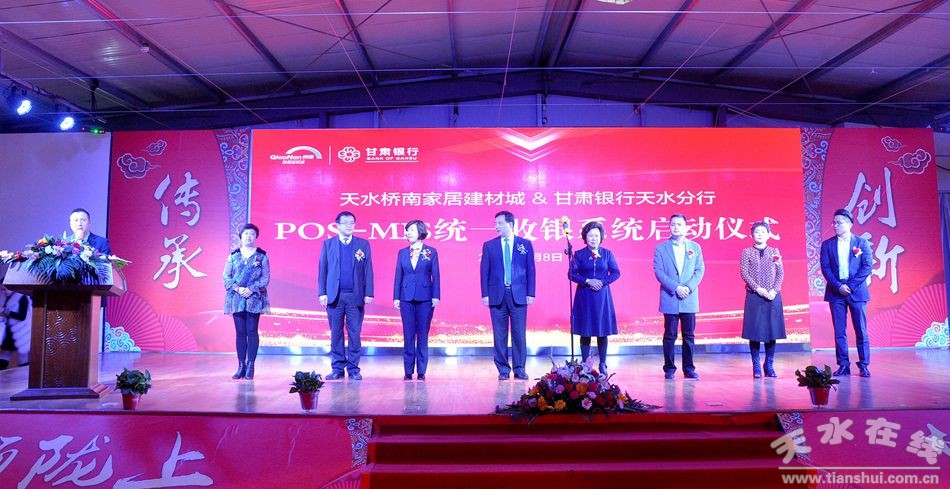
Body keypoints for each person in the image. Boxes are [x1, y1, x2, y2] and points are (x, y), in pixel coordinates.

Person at [480, 210, 536, 380]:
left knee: (519, 334)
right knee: (499, 334)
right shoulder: (489, 245)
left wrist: (531, 292)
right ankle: (503, 370)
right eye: (495, 223)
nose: (496, 226)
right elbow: (484, 272)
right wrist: (485, 294)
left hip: (518, 294)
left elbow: (531, 270)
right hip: (497, 294)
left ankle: (520, 368)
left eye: (500, 223)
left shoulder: (525, 244)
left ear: (510, 224)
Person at [318, 211, 374, 381]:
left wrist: (369, 293)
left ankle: (354, 369)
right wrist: (322, 292)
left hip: (355, 296)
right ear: (337, 225)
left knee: (354, 333)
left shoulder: (362, 244)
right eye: (346, 223)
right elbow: (323, 270)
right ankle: (337, 368)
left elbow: (368, 270)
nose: (349, 226)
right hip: (334, 296)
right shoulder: (328, 244)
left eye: (352, 223)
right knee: (336, 333)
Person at [819, 208, 873, 377]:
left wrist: (850, 286)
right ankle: (843, 364)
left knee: (861, 330)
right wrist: (838, 286)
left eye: (839, 222)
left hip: (856, 292)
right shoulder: (827, 244)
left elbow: (867, 267)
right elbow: (825, 268)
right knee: (839, 331)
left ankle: (864, 365)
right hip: (836, 292)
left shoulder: (861, 243)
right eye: (834, 222)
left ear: (849, 224)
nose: (835, 225)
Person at [653, 213, 705, 380]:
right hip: (670, 297)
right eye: (673, 224)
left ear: (686, 227)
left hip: (689, 298)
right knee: (670, 335)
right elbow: (659, 272)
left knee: (689, 336)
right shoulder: (661, 248)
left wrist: (687, 287)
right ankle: (669, 369)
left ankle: (689, 369)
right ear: (669, 227)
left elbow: (699, 270)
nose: (676, 227)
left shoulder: (695, 247)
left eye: (679, 224)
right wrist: (676, 287)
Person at [568, 221, 620, 374]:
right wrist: (587, 281)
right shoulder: (578, 255)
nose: (593, 238)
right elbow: (571, 274)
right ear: (585, 237)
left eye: (596, 236)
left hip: (602, 297)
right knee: (586, 331)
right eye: (590, 235)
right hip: (585, 296)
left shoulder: (607, 254)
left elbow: (616, 272)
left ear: (601, 237)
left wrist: (602, 282)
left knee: (602, 331)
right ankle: (585, 365)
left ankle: (603, 363)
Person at [393, 220, 441, 381]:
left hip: (425, 297)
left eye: (411, 230)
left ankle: (421, 371)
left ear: (420, 231)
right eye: (407, 230)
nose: (408, 233)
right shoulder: (402, 252)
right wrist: (396, 296)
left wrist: (436, 295)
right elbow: (398, 275)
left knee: (422, 334)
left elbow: (436, 275)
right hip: (406, 297)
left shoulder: (431, 251)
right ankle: (408, 371)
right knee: (408, 334)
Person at [223, 223, 270, 380]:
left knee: (252, 331)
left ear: (256, 237)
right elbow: (226, 277)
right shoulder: (233, 255)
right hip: (236, 298)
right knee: (240, 333)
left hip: (254, 298)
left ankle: (251, 366)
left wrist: (251, 288)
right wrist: (237, 288)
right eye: (246, 234)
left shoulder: (261, 256)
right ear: (241, 236)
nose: (249, 236)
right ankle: (241, 366)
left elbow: (265, 278)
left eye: (252, 234)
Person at [739, 221, 787, 378]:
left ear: (768, 234)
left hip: (772, 296)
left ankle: (769, 365)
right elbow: (744, 273)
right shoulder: (747, 252)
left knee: (772, 331)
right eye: (757, 232)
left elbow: (780, 273)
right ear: (752, 235)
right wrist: (758, 288)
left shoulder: (774, 251)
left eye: (763, 232)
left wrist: (774, 291)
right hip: (754, 295)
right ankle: (756, 366)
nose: (760, 234)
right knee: (755, 332)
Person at [0, 267, 32, 370]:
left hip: (21, 330)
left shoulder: (22, 297)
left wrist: (5, 311)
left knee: (22, 357)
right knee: (5, 355)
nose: (3, 292)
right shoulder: (10, 297)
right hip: (11, 331)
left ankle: (24, 378)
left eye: (4, 289)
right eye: (2, 289)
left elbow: (22, 316)